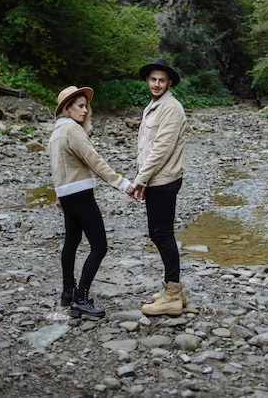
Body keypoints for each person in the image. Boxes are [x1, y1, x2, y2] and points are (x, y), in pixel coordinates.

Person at [49, 85, 132, 319]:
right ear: (67, 108)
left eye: (87, 106)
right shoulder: (72, 130)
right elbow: (94, 160)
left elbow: (57, 171)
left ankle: (67, 293)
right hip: (80, 195)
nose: (85, 111)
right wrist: (123, 184)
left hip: (67, 195)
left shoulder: (56, 133)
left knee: (72, 241)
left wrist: (60, 199)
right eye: (80, 106)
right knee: (99, 245)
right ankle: (80, 298)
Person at [127, 58, 187, 316]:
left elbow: (161, 149)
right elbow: (145, 148)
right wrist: (142, 177)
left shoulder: (171, 108)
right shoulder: (152, 106)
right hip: (154, 179)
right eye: (153, 79)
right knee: (157, 233)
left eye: (162, 80)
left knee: (162, 234)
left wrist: (140, 180)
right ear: (147, 81)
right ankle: (173, 290)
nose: (157, 84)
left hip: (164, 181)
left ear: (169, 82)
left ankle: (172, 296)